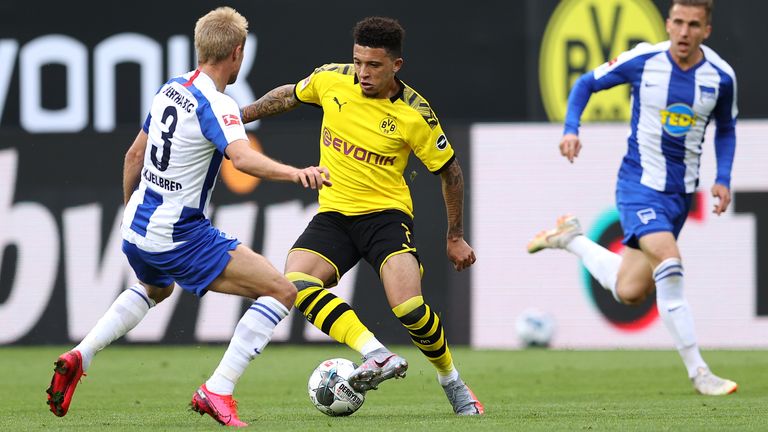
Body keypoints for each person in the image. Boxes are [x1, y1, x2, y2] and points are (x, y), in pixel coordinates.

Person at [45, 7, 331, 427]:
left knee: (155, 288)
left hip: (136, 226)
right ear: (237, 53)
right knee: (281, 291)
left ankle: (79, 354)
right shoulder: (219, 105)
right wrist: (297, 172)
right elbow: (243, 159)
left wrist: (131, 212)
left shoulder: (170, 88)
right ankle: (218, 389)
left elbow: (133, 156)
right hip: (179, 234)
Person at [238, 16, 484, 415]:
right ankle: (376, 353)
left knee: (409, 309)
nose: (363, 73)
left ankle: (451, 380)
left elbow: (450, 172)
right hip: (334, 213)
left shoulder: (414, 113)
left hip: (386, 217)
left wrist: (454, 236)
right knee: (294, 283)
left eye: (374, 65)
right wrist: (235, 117)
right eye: (359, 62)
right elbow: (288, 95)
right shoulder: (331, 79)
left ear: (396, 66)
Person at [527, 0, 737, 396]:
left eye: (694, 24)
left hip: (679, 196)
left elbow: (726, 127)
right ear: (667, 23)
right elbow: (585, 83)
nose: (684, 32)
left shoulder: (721, 76)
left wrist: (723, 177)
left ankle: (570, 238)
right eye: (678, 22)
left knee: (629, 291)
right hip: (638, 185)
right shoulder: (645, 60)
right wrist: (571, 128)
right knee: (670, 263)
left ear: (706, 30)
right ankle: (699, 372)